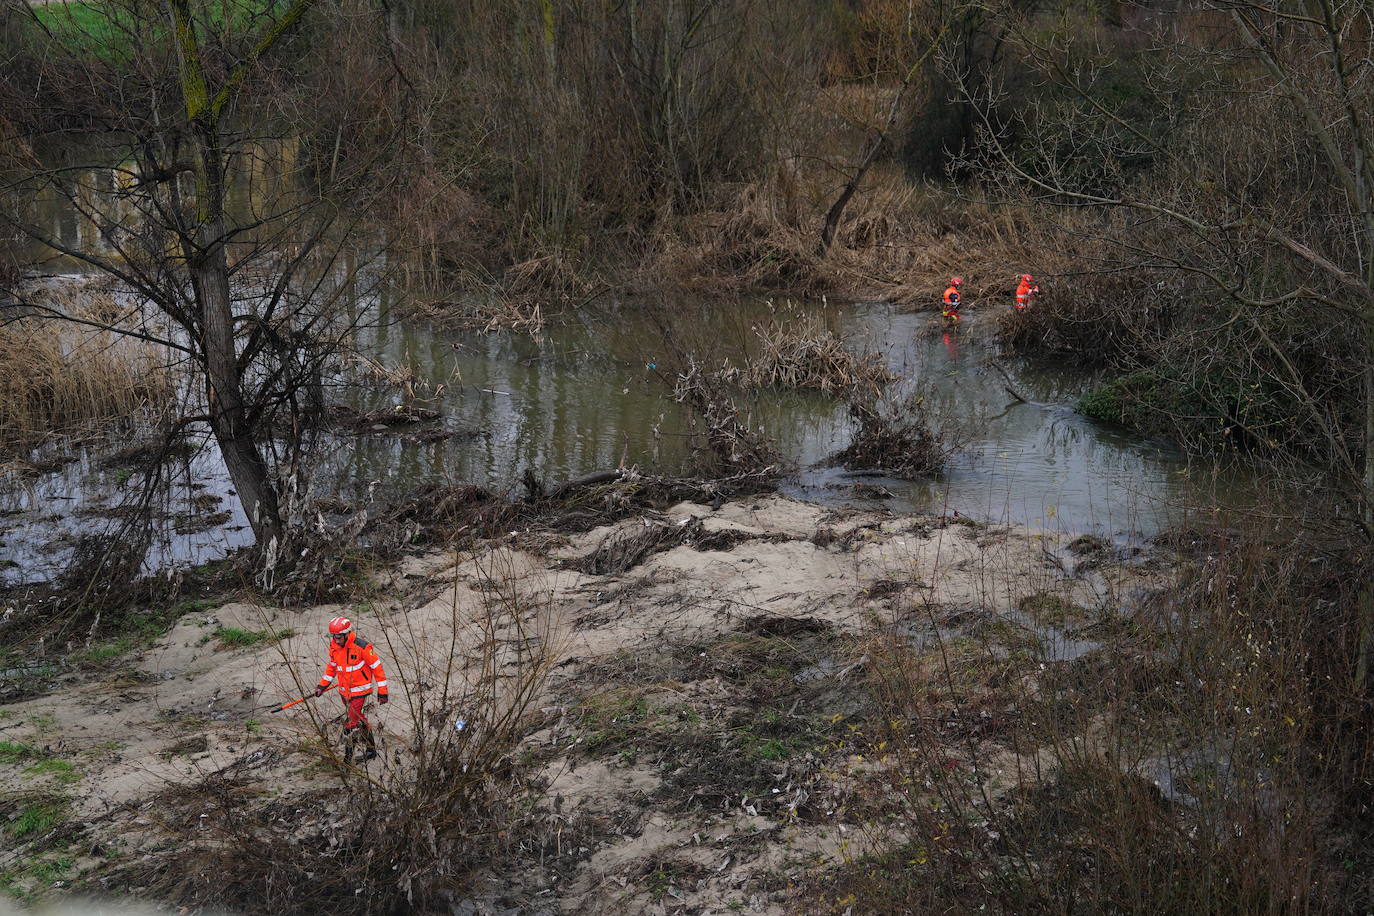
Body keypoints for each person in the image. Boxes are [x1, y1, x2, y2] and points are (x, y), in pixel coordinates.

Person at [314, 616, 388, 763]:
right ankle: (371, 750)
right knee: (360, 719)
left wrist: (383, 691)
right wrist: (322, 685)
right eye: (334, 636)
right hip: (344, 691)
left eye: (339, 636)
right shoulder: (335, 646)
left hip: (360, 691)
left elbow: (377, 668)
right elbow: (332, 668)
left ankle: (347, 761)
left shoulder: (362, 647)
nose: (336, 639)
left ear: (347, 633)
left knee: (350, 725)